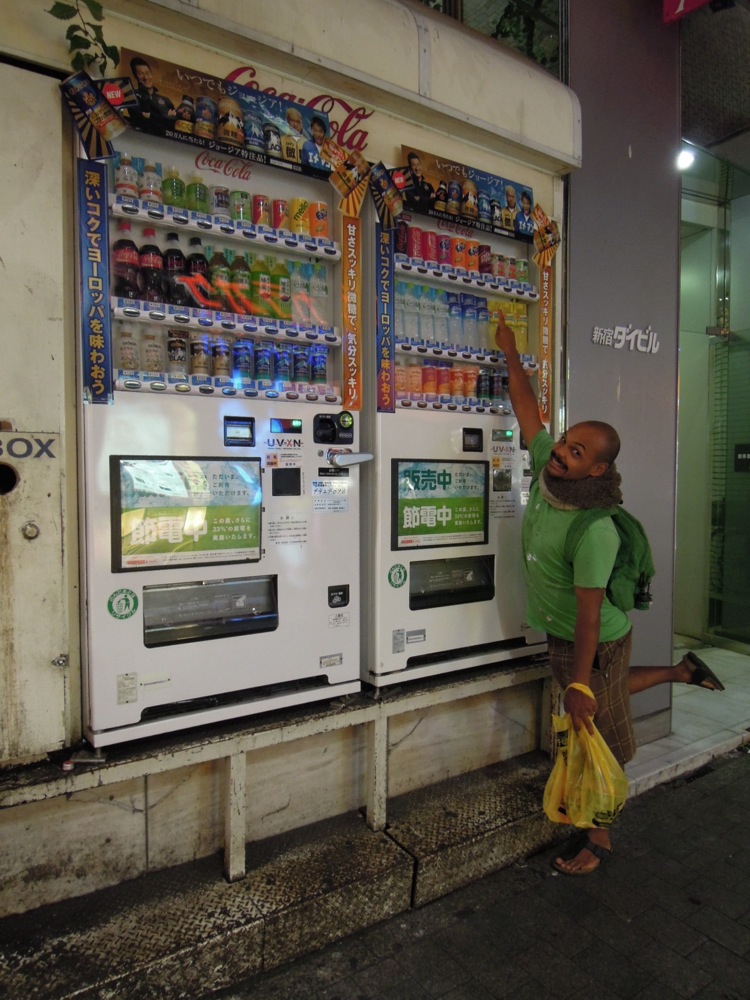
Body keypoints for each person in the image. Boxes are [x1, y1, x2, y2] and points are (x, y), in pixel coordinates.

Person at [494, 314, 725, 877]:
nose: (560, 452)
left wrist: (578, 683)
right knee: (604, 696)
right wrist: (510, 353)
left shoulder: (594, 528)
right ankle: (680, 671)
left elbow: (590, 619)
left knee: (596, 730)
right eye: (564, 442)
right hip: (565, 635)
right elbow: (528, 412)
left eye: (575, 453)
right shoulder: (550, 475)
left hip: (594, 642)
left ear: (596, 469)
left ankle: (599, 835)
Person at [130, 56, 176, 128]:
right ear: (135, 76)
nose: (146, 77)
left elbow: (173, 123)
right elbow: (138, 119)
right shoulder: (132, 96)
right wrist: (164, 117)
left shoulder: (165, 100)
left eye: (147, 73)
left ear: (151, 74)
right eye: (140, 74)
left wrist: (150, 116)